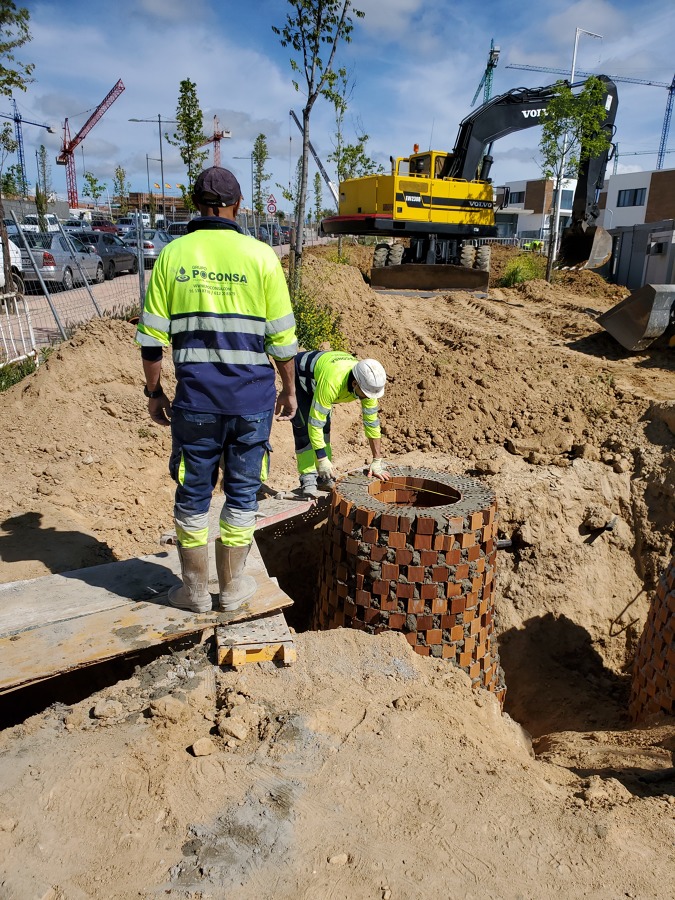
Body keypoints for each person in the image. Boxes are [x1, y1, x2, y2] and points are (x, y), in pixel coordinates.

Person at [135, 166, 298, 614]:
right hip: (251, 402)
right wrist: (289, 390)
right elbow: (282, 339)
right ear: (237, 206)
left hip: (196, 404)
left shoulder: (172, 256)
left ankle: (192, 592)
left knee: (193, 493)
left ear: (195, 204)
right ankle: (231, 590)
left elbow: (152, 340)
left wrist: (155, 393)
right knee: (243, 492)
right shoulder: (262, 256)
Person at [292, 350, 390, 497]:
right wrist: (322, 459)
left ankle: (323, 476)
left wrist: (377, 460)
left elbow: (372, 423)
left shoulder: (368, 387)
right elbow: (315, 423)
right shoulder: (333, 382)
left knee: (325, 428)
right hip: (301, 375)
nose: (368, 398)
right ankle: (308, 476)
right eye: (366, 395)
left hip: (323, 374)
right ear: (354, 383)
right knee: (304, 426)